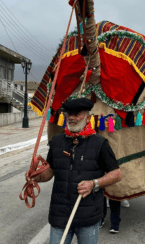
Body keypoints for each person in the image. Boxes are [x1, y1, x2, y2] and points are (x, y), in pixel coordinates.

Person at [26, 98, 122, 244]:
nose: (71, 117)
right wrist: (36, 177)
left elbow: (116, 174)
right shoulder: (57, 142)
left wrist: (94, 183)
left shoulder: (100, 143)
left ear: (88, 117)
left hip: (88, 217)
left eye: (77, 114)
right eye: (69, 113)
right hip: (59, 215)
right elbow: (51, 170)